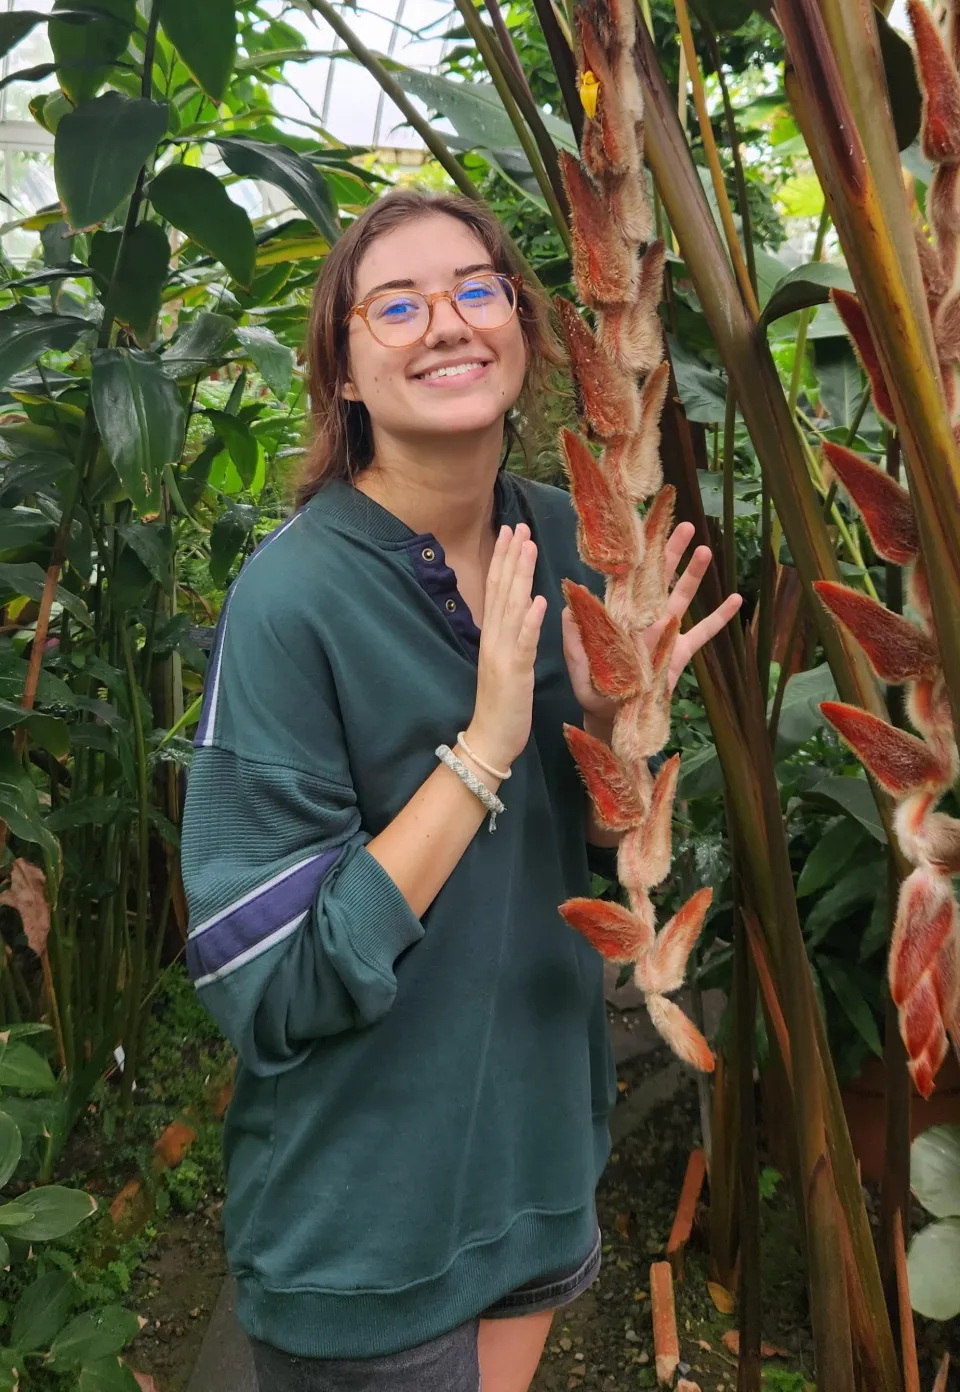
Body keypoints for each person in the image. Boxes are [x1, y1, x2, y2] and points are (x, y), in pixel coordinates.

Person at [181, 187, 741, 1392]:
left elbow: (586, 846)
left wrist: (602, 723)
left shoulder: (571, 535)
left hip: (537, 1167)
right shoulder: (292, 601)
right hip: (369, 1220)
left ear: (525, 333)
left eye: (474, 289)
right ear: (339, 369)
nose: (446, 322)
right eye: (396, 304)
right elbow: (271, 985)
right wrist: (483, 745)